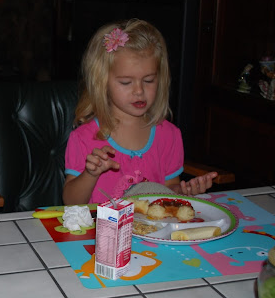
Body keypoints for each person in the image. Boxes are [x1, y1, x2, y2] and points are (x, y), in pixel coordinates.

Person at [63, 19, 217, 205]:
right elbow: (70, 203)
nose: (139, 91)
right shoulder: (83, 138)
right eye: (126, 82)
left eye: (149, 80)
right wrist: (90, 174)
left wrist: (185, 191)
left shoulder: (169, 135)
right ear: (101, 82)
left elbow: (169, 190)